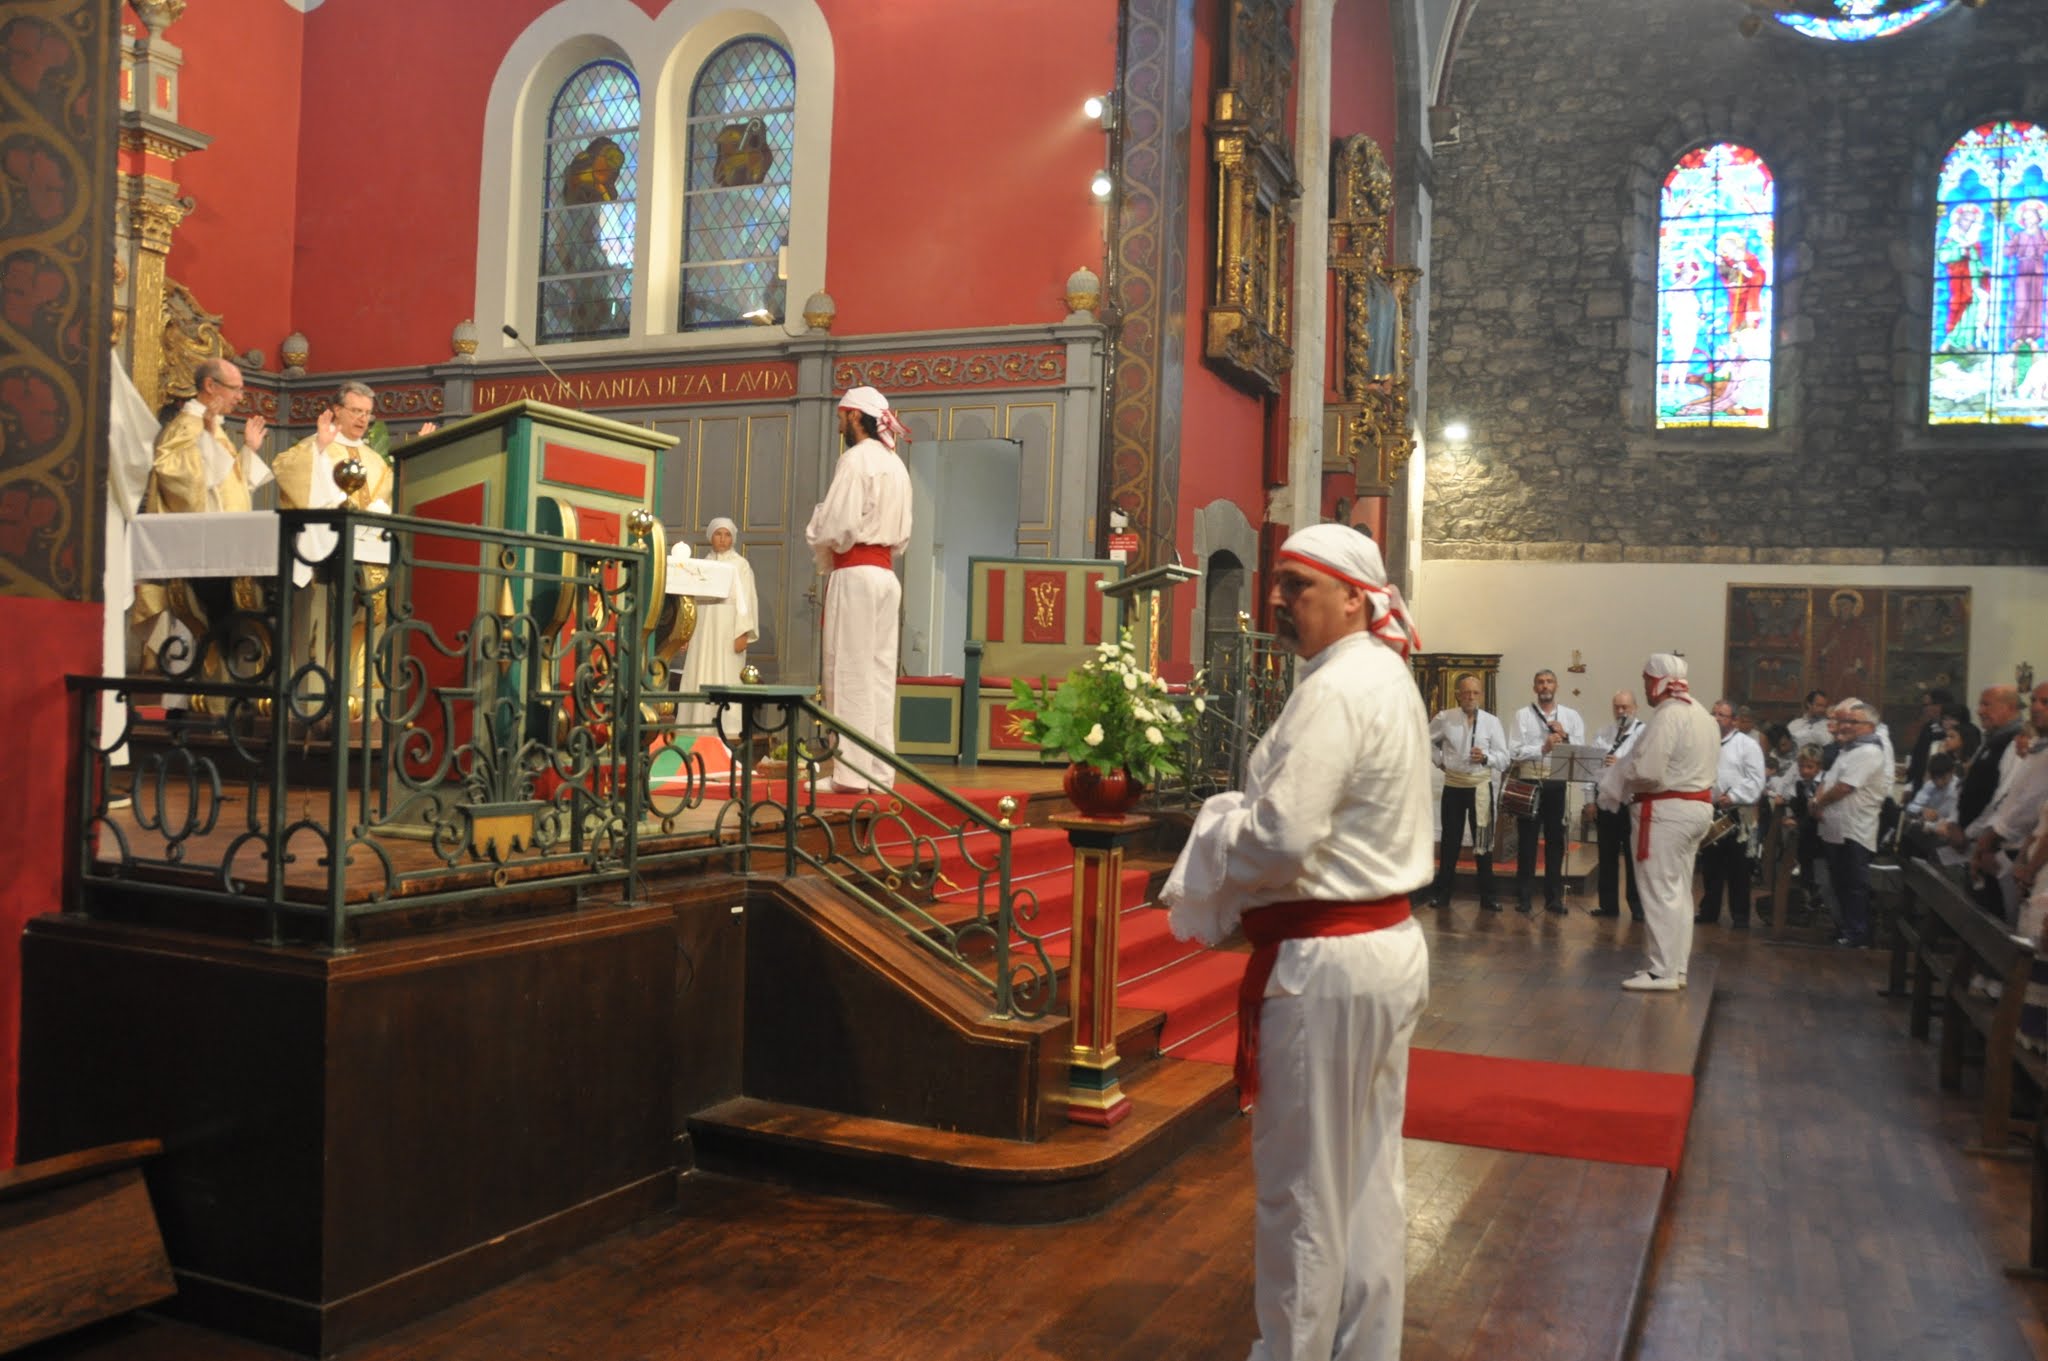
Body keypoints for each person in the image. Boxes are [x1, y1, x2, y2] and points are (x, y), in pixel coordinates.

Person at [1160, 524, 1430, 1361]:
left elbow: (1282, 835)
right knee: (1367, 1176)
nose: (1277, 600)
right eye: (1278, 583)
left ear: (1354, 596)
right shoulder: (1382, 674)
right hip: (1383, 943)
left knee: (1303, 1191)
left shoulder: (1339, 687)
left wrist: (1217, 828)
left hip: (1329, 962)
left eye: (1296, 585)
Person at [804, 385, 912, 792]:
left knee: (848, 670)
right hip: (885, 576)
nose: (839, 426)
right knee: (880, 675)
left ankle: (849, 774)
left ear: (854, 416)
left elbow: (837, 524)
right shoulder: (895, 464)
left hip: (856, 574)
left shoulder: (855, 459)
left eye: (840, 417)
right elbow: (903, 533)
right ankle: (880, 774)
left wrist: (817, 530)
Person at [132, 357, 271, 673]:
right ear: (211, 386)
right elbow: (179, 479)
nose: (240, 397)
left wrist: (248, 450)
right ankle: (206, 686)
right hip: (199, 551)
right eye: (235, 389)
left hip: (223, 547)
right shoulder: (187, 426)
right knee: (208, 622)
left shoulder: (211, 426)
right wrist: (207, 437)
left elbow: (227, 488)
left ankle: (227, 679)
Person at [1595, 653, 1718, 990]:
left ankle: (1661, 971)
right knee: (1679, 893)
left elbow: (1648, 772)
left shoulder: (1668, 715)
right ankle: (1676, 968)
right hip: (1696, 810)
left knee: (1660, 892)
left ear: (1657, 682)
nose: (1645, 686)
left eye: (1646, 679)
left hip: (1666, 814)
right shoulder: (1702, 714)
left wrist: (1621, 774)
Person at [1427, 674, 1508, 911]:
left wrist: (1485, 757)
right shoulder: (1445, 718)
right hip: (1454, 786)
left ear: (1480, 695)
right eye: (1465, 692)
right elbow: (1425, 739)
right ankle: (1443, 894)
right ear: (1457, 695)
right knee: (1450, 841)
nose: (1470, 697)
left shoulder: (1492, 722)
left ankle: (1488, 897)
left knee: (1483, 842)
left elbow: (1504, 758)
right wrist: (1439, 760)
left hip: (1480, 787)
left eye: (1475, 692)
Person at [1507, 668, 1585, 915]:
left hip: (1556, 781)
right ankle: (1524, 897)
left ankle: (1554, 898)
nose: (1545, 686)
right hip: (1529, 780)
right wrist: (1542, 748)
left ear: (1556, 686)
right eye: (1540, 682)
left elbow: (1581, 750)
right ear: (1534, 688)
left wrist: (1565, 735)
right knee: (1527, 840)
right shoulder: (1522, 715)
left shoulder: (1571, 716)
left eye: (1549, 681)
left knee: (1555, 841)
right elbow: (1514, 751)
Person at [1811, 699, 1888, 948]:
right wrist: (1816, 800)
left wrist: (1819, 803)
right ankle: (1845, 927)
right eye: (1844, 721)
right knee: (1840, 882)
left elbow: (1844, 787)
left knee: (1854, 884)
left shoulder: (1870, 751)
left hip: (1855, 829)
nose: (1845, 725)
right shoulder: (1848, 749)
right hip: (1836, 828)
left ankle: (1858, 933)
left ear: (1869, 726)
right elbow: (1828, 779)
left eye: (1852, 722)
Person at [673, 515, 759, 728]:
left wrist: (743, 633)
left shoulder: (741, 565)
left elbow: (747, 600)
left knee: (725, 673)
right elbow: (691, 601)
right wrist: (686, 633)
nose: (722, 539)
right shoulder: (702, 565)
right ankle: (695, 723)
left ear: (733, 539)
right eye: (718, 534)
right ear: (711, 537)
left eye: (727, 535)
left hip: (728, 628)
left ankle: (727, 727)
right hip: (703, 627)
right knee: (699, 672)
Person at [1695, 699, 1768, 928]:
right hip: (1711, 810)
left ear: (1734, 720)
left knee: (1739, 868)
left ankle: (1740, 916)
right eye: (1713, 713)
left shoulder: (1747, 745)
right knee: (1711, 866)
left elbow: (1756, 780)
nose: (1716, 718)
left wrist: (1734, 796)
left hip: (1738, 814)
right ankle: (1709, 911)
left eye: (1721, 715)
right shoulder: (1705, 743)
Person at [1589, 689, 1645, 920]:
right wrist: (1589, 801)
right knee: (1606, 856)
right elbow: (1591, 769)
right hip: (1606, 802)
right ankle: (1608, 906)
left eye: (1625, 707)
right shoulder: (1603, 733)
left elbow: (1647, 768)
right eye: (1617, 707)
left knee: (1633, 858)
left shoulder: (1644, 734)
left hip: (1631, 804)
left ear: (1635, 708)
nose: (1621, 711)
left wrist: (1620, 763)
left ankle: (1637, 907)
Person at [1787, 689, 1832, 753]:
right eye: (1819, 705)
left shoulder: (1829, 725)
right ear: (1809, 704)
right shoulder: (1793, 725)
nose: (1822, 709)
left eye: (1824, 706)